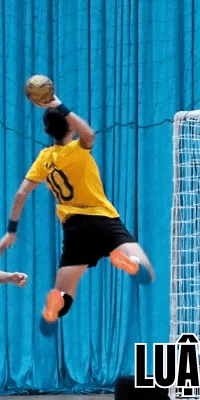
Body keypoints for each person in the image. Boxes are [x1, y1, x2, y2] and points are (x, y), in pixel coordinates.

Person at [0, 95, 155, 324]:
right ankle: (129, 262)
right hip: (103, 220)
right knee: (146, 271)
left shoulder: (45, 158)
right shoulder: (78, 148)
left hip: (75, 229)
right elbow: (89, 134)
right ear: (71, 127)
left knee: (63, 295)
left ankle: (55, 306)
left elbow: (21, 194)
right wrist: (58, 104)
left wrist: (11, 232)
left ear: (47, 130)